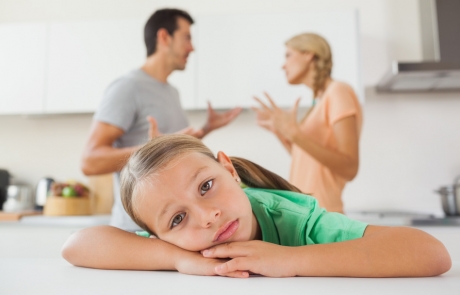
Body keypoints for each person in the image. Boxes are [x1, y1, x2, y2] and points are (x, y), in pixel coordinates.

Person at [63, 134, 451, 278]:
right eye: (178, 219)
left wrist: (290, 260)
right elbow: (76, 245)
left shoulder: (296, 221)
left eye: (206, 186)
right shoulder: (183, 246)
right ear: (161, 235)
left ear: (229, 170)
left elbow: (431, 254)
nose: (207, 216)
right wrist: (177, 259)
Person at [81, 8, 242, 231]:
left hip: (174, 228)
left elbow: (172, 152)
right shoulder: (128, 88)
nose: (192, 47)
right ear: (164, 37)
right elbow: (90, 161)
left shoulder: (170, 92)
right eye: (187, 37)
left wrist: (206, 129)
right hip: (137, 231)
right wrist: (154, 148)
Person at [252, 33, 361, 213]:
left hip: (324, 214)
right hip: (307, 213)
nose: (283, 65)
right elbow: (307, 159)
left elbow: (350, 168)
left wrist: (295, 134)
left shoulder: (338, 91)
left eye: (288, 55)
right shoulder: (320, 100)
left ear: (309, 54)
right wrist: (281, 132)